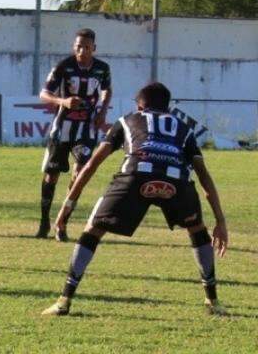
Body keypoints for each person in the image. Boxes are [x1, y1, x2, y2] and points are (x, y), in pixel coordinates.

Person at [42, 82, 228, 316]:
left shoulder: (127, 120)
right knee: (197, 230)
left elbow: (91, 165)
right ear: (167, 108)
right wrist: (220, 221)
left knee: (92, 231)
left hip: (135, 175)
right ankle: (212, 302)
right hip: (176, 182)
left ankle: (63, 301)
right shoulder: (184, 128)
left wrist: (67, 207)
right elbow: (203, 175)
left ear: (140, 105)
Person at [37, 28, 112, 241]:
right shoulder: (63, 66)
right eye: (78, 46)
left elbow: (107, 90)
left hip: (86, 130)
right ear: (74, 46)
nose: (82, 50)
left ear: (93, 48)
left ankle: (62, 224)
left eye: (87, 47)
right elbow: (43, 93)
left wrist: (103, 111)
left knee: (79, 174)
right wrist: (63, 101)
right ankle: (44, 222)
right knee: (51, 176)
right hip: (62, 129)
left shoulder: (102, 69)